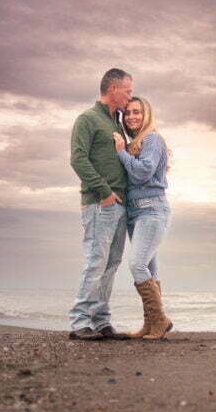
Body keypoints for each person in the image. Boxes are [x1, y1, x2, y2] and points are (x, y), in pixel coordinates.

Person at [68, 68, 133, 340]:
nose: (130, 97)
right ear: (113, 89)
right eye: (128, 91)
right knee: (96, 261)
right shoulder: (88, 119)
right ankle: (79, 321)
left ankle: (101, 321)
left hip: (119, 204)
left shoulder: (116, 123)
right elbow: (78, 159)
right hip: (99, 202)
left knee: (112, 263)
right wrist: (104, 192)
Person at [113, 96, 172, 340]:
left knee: (137, 265)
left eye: (137, 112)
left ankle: (161, 320)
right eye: (127, 113)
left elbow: (144, 171)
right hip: (136, 210)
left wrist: (120, 153)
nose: (131, 117)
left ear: (146, 114)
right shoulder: (137, 143)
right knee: (149, 269)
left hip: (151, 208)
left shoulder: (152, 139)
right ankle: (151, 324)